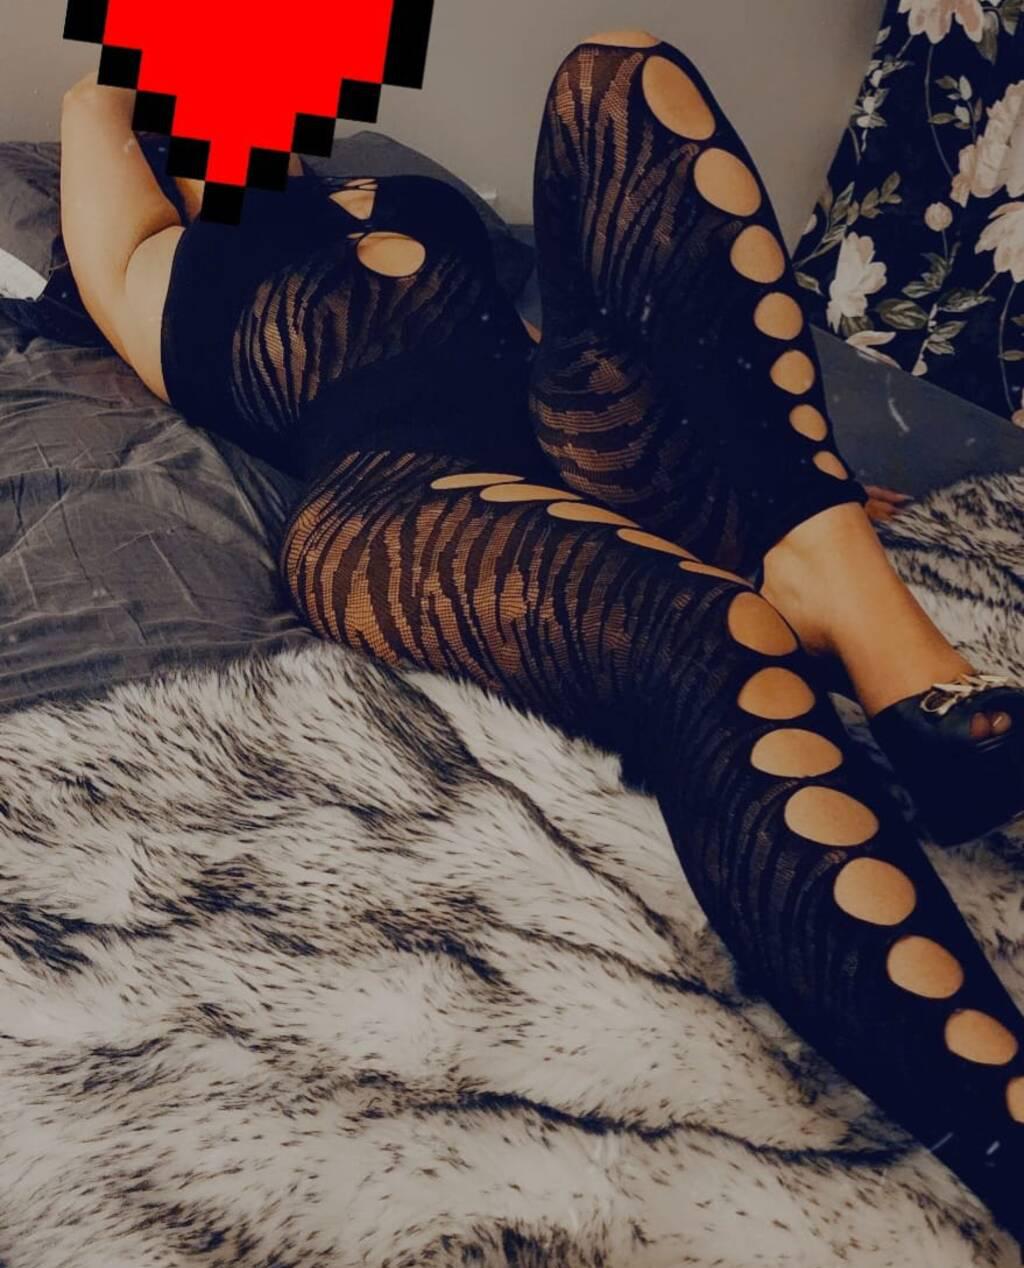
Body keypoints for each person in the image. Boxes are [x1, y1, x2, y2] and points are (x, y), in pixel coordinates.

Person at [60, 29, 1024, 1253]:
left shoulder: (391, 185)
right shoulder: (160, 260)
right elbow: (93, 104)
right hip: (407, 499)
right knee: (709, 635)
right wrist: (147, 58)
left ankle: (837, 572)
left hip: (573, 436)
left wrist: (759, 460)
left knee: (619, 72)